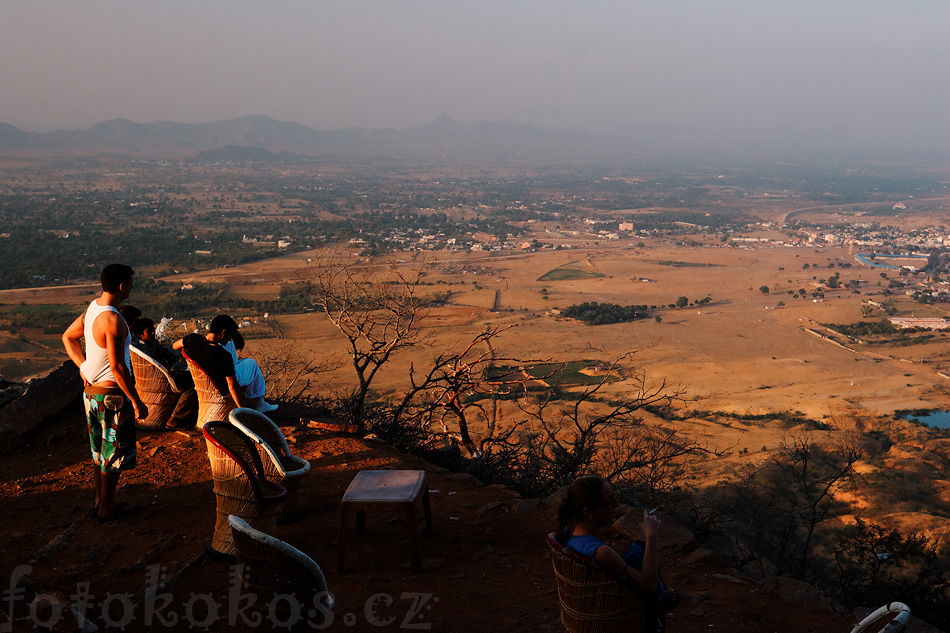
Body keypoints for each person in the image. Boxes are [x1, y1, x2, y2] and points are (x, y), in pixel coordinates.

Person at [62, 263, 147, 522]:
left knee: (99, 452)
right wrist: (136, 400)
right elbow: (117, 366)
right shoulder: (113, 319)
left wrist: (84, 367)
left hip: (91, 394)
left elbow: (68, 337)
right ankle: (107, 507)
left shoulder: (93, 308)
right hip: (111, 396)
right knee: (114, 453)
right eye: (131, 284)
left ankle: (99, 502)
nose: (131, 288)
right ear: (122, 286)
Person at [557, 476, 678, 631]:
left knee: (637, 551)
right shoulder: (601, 552)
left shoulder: (567, 533)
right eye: (609, 501)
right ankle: (658, 601)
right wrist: (651, 536)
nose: (616, 504)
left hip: (592, 602)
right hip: (615, 609)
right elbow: (648, 585)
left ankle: (660, 598)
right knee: (641, 551)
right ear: (588, 512)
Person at [173, 314, 277, 413]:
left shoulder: (192, 339)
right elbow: (232, 386)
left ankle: (260, 402)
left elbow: (174, 346)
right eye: (230, 335)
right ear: (224, 332)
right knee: (251, 363)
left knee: (242, 362)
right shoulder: (223, 355)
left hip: (199, 382)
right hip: (218, 388)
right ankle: (259, 402)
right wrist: (241, 408)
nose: (230, 339)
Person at [130, 317, 198, 427]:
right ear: (139, 335)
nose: (153, 333)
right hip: (160, 381)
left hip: (163, 376)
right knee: (192, 387)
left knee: (189, 377)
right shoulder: (146, 350)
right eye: (149, 331)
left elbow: (167, 355)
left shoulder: (150, 344)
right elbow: (160, 366)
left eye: (153, 329)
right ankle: (175, 418)